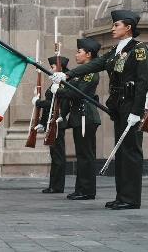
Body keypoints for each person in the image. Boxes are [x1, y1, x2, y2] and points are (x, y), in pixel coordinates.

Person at [51, 10, 148, 210]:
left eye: (116, 25)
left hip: (131, 105)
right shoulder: (115, 50)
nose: (113, 28)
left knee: (131, 151)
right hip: (118, 105)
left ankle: (131, 198)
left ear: (128, 27)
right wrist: (68, 75)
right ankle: (122, 196)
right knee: (121, 151)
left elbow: (142, 82)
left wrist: (137, 111)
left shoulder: (138, 49)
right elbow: (95, 64)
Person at [57, 38, 102, 201]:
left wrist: (59, 90)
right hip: (79, 116)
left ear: (88, 54)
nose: (76, 55)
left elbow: (78, 93)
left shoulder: (90, 73)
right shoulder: (81, 73)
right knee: (81, 154)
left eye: (79, 52)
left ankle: (87, 190)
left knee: (86, 155)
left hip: (86, 116)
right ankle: (81, 189)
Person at [34, 56, 70, 194]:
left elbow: (54, 105)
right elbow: (49, 107)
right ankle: (53, 185)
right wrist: (42, 123)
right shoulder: (54, 83)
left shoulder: (63, 84)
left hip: (57, 122)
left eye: (53, 67)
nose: (51, 69)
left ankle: (57, 186)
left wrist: (38, 103)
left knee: (58, 155)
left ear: (60, 68)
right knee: (54, 154)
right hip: (51, 121)